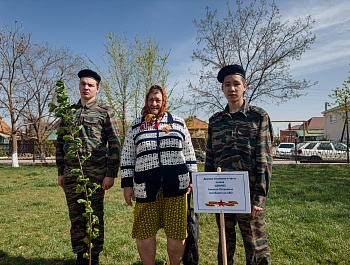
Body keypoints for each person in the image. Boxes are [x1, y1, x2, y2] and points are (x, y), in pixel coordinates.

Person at [120, 84, 198, 265]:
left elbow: (189, 153)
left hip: (177, 187)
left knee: (177, 234)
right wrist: (127, 185)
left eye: (158, 100)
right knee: (145, 233)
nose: (154, 103)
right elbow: (127, 156)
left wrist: (193, 179)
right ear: (146, 101)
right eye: (150, 99)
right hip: (145, 187)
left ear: (163, 101)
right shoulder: (136, 126)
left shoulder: (178, 122)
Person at [205, 64, 273, 265]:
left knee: (255, 244)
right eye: (227, 85)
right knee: (226, 244)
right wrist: (208, 192)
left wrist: (259, 196)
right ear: (222, 89)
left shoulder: (258, 116)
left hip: (249, 193)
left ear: (245, 86)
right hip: (222, 194)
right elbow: (210, 157)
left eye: (236, 84)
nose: (232, 89)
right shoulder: (215, 121)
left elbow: (264, 158)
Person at [56, 69, 121, 265]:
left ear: (97, 89)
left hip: (96, 176)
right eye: (83, 84)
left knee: (94, 216)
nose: (86, 87)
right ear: (79, 86)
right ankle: (80, 257)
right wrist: (60, 172)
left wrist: (111, 174)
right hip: (72, 175)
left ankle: (94, 256)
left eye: (90, 85)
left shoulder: (105, 112)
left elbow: (115, 144)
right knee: (76, 218)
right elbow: (59, 144)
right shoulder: (68, 113)